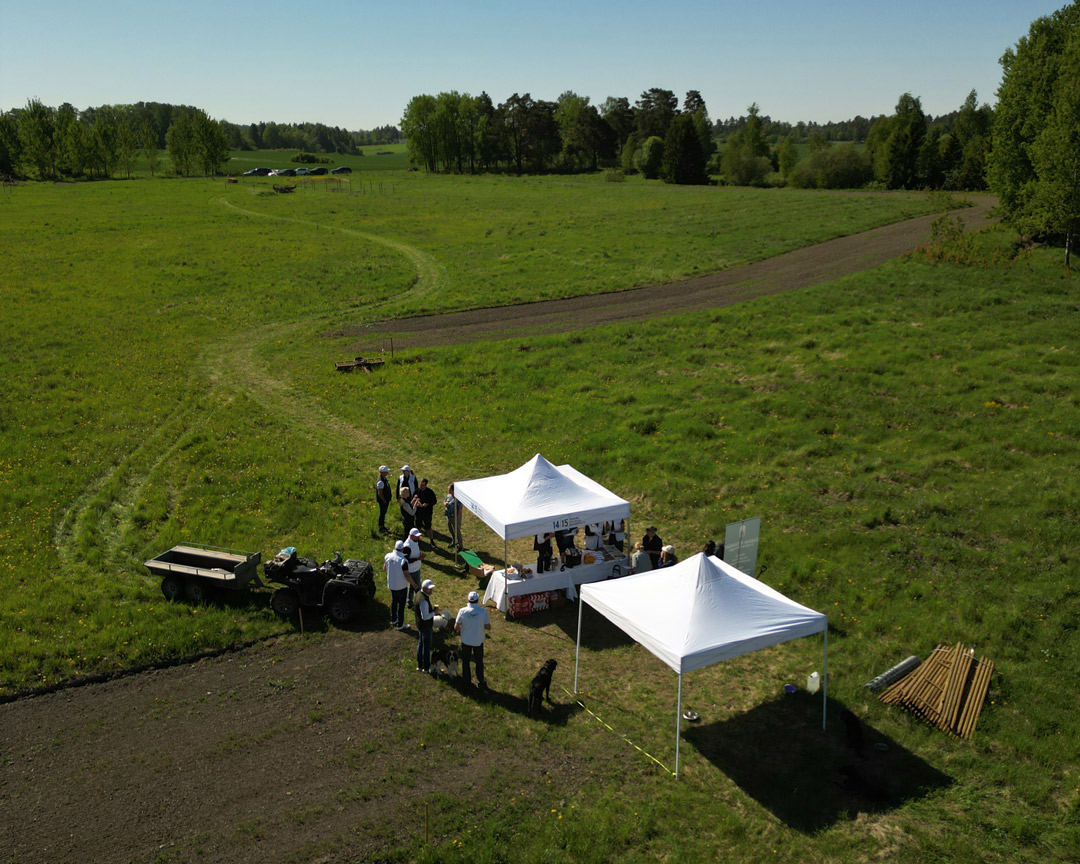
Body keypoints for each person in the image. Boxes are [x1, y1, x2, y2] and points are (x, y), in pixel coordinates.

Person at [455, 590, 491, 689]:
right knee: (479, 661)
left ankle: (466, 681)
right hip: (478, 641)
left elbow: (456, 627)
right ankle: (480, 681)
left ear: (468, 600)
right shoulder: (483, 612)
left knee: (466, 661)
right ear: (477, 600)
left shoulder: (462, 611)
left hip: (466, 641)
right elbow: (488, 627)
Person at [383, 540, 414, 630]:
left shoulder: (387, 556)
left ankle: (393, 619)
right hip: (401, 586)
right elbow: (407, 575)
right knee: (401, 605)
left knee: (394, 602)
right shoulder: (403, 561)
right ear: (403, 549)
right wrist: (413, 584)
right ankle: (400, 624)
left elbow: (384, 568)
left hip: (392, 584)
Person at [414, 579, 438, 672]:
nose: (431, 590)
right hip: (425, 626)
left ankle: (420, 664)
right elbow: (425, 616)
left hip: (420, 625)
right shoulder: (423, 601)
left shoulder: (418, 595)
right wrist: (434, 613)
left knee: (420, 644)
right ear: (424, 588)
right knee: (426, 647)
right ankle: (426, 667)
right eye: (429, 589)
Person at [414, 478, 438, 548]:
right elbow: (414, 498)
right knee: (418, 527)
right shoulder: (417, 491)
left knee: (428, 527)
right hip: (418, 512)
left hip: (427, 512)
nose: (421, 486)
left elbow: (434, 501)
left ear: (426, 485)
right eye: (420, 484)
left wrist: (427, 504)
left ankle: (431, 541)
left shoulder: (430, 492)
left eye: (423, 485)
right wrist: (416, 501)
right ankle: (418, 541)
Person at [403, 527, 423, 608]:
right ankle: (420, 601)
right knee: (416, 586)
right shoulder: (407, 546)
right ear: (411, 536)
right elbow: (406, 560)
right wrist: (417, 559)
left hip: (416, 568)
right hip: (412, 570)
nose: (418, 537)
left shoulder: (414, 541)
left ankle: (410, 602)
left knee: (412, 586)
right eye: (416, 536)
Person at [444, 483, 463, 550]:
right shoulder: (448, 496)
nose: (449, 492)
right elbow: (445, 501)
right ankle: (454, 541)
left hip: (455, 517)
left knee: (457, 530)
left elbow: (460, 509)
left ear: (453, 490)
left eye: (450, 490)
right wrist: (445, 504)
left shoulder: (458, 498)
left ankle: (460, 545)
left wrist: (457, 518)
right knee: (451, 529)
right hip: (448, 516)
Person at [374, 465, 392, 534]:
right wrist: (384, 500)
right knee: (382, 514)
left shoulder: (383, 479)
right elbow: (380, 493)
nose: (387, 473)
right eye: (386, 472)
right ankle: (381, 528)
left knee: (383, 514)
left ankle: (383, 526)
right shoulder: (381, 481)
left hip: (385, 500)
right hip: (383, 501)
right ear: (382, 472)